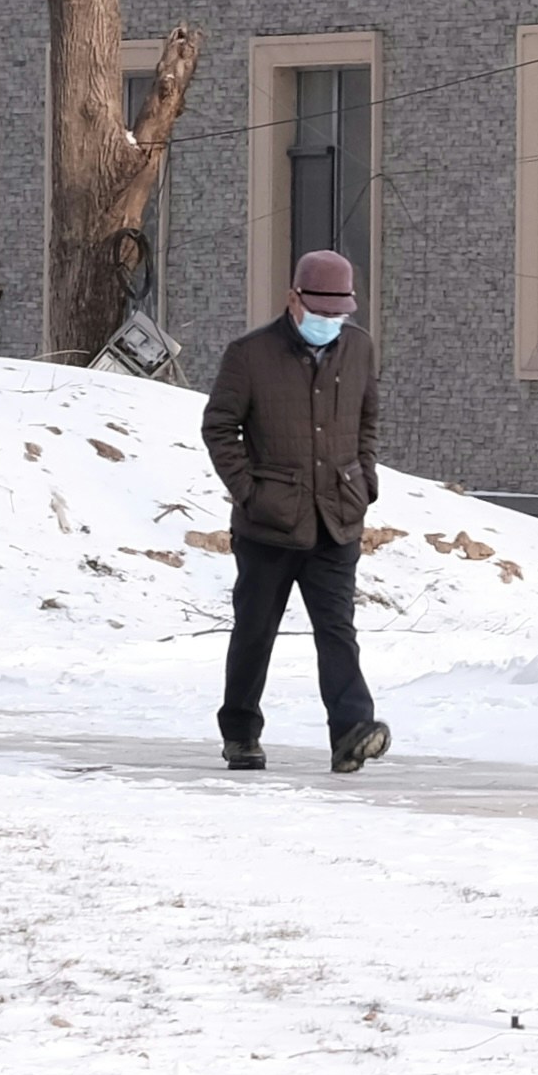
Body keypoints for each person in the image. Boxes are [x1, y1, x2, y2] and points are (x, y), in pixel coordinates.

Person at [202, 246, 388, 773]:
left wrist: (365, 480)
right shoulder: (249, 355)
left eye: (339, 313)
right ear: (294, 300)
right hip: (269, 524)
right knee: (254, 632)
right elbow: (219, 427)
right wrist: (250, 493)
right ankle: (240, 732)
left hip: (337, 518)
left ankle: (352, 731)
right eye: (321, 311)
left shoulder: (359, 348)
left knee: (337, 629)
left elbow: (367, 420)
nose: (330, 321)